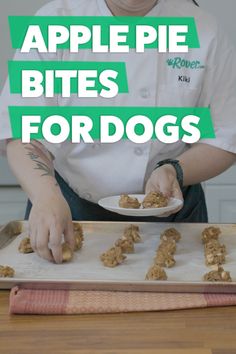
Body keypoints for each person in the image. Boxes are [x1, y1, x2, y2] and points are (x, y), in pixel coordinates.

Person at [0, 0, 236, 263]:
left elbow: (224, 137)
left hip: (171, 215)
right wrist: (45, 196)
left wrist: (174, 169)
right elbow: (23, 132)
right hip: (67, 208)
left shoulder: (205, 31)